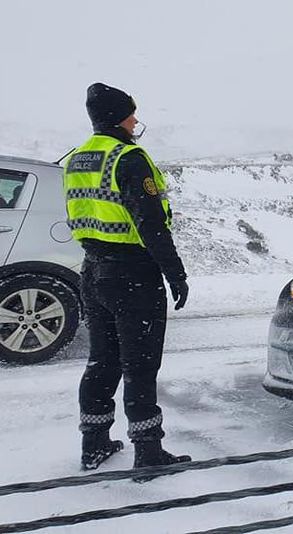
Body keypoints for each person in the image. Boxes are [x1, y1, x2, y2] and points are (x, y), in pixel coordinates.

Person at [63, 82, 191, 474]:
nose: (136, 120)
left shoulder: (78, 158)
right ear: (119, 117)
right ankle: (148, 451)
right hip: (133, 274)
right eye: (131, 113)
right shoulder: (129, 158)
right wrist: (176, 273)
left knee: (102, 361)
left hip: (93, 271)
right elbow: (151, 224)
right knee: (140, 365)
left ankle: (94, 444)